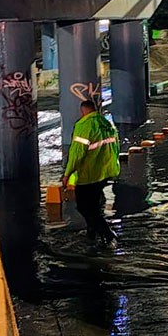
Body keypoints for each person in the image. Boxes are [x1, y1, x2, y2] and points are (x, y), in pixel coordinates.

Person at [61, 99, 121, 247]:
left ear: (83, 111)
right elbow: (116, 147)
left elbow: (77, 153)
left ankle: (108, 234)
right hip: (105, 173)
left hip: (89, 175)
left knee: (84, 207)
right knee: (93, 205)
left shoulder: (84, 125)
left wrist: (67, 174)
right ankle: (92, 233)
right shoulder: (107, 123)